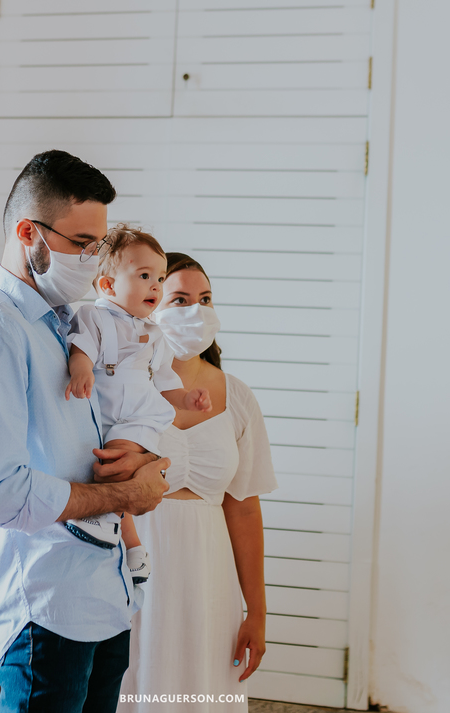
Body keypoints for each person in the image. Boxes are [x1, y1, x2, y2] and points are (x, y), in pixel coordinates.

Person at [0, 150, 171, 713]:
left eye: (99, 244)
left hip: (104, 596)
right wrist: (124, 495)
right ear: (30, 234)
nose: (94, 260)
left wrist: (142, 459)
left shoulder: (72, 324)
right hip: (46, 609)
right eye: (83, 244)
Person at [118, 253, 277, 713]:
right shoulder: (123, 386)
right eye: (181, 300)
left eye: (205, 299)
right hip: (134, 564)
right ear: (150, 304)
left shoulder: (238, 396)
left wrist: (257, 612)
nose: (196, 311)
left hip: (210, 575)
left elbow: (243, 508)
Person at [64, 224, 210, 579]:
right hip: (103, 413)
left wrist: (186, 398)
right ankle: (134, 548)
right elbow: (81, 348)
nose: (155, 286)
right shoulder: (94, 316)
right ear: (108, 285)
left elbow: (164, 381)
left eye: (159, 278)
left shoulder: (155, 334)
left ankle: (105, 520)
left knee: (120, 465)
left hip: (139, 416)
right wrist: (80, 369)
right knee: (119, 476)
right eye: (145, 276)